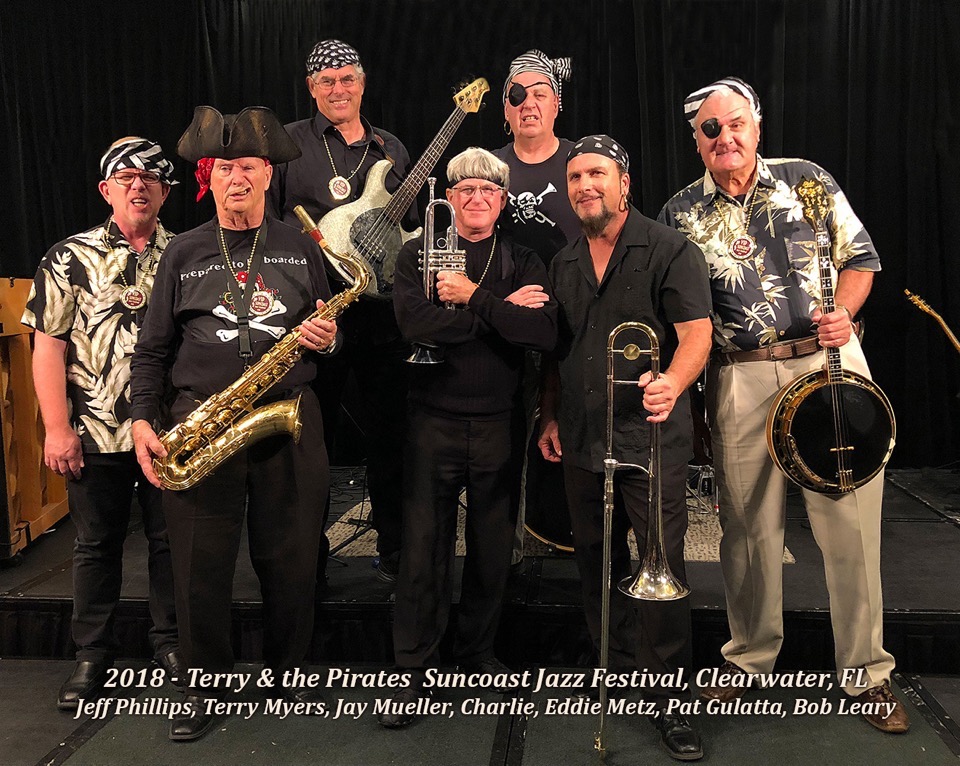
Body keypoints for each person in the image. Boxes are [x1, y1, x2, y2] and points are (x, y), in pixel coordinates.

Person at [658, 77, 909, 734]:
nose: (725, 137)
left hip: (827, 364)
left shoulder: (808, 180)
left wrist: (845, 313)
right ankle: (748, 660)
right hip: (739, 375)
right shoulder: (679, 213)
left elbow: (861, 259)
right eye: (710, 129)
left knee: (851, 523)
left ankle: (867, 672)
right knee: (746, 530)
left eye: (735, 123)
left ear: (757, 125)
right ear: (696, 141)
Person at [130, 107, 337, 741]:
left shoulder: (302, 247)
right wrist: (141, 419)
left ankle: (289, 675)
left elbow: (332, 335)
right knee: (199, 565)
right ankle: (203, 688)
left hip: (286, 418)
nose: (237, 178)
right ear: (209, 179)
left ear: (269, 175)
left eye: (249, 166)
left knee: (293, 557)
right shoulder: (183, 250)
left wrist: (329, 339)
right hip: (201, 421)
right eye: (225, 169)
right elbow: (152, 350)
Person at [539, 136, 712, 760]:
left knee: (660, 564)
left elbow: (696, 333)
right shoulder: (563, 261)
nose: (585, 185)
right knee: (595, 559)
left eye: (597, 174)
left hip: (650, 436)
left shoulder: (669, 248)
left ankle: (670, 701)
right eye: (575, 177)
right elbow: (558, 351)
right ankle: (612, 666)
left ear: (624, 183)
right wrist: (549, 416)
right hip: (583, 434)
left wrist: (673, 382)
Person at [379, 148, 557, 728]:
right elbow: (416, 324)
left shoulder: (523, 257)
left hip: (499, 423)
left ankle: (476, 655)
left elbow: (541, 331)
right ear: (450, 199)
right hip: (430, 421)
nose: (477, 199)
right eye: (465, 190)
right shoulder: (416, 254)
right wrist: (500, 313)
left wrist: (474, 298)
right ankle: (413, 668)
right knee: (421, 551)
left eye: (488, 191)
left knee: (492, 548)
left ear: (502, 201)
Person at [21, 137, 184, 710]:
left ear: (165, 191)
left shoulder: (187, 253)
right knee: (95, 545)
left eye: (150, 178)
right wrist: (56, 428)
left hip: (171, 432)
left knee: (171, 544)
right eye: (126, 178)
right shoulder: (68, 256)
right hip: (93, 430)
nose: (138, 186)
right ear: (105, 189)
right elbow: (48, 347)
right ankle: (92, 654)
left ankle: (171, 645)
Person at [269, 39, 417, 584]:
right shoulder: (287, 143)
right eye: (327, 81)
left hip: (380, 315)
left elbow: (403, 229)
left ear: (363, 83)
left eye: (348, 78)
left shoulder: (390, 147)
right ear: (312, 88)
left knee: (392, 438)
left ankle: (397, 551)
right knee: (309, 442)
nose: (339, 89)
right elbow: (271, 226)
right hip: (311, 314)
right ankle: (306, 556)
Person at [494, 49, 582, 568]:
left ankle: (580, 545)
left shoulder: (581, 162)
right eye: (517, 95)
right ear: (505, 109)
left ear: (557, 105)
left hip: (572, 326)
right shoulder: (489, 168)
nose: (528, 103)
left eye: (540, 94)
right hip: (506, 327)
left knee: (570, 436)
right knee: (505, 444)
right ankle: (505, 554)